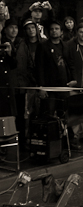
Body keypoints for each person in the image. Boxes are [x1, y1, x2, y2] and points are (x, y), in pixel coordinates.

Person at [14, 19, 44, 150]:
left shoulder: (43, 43)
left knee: (41, 111)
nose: (31, 30)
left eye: (33, 27)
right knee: (28, 112)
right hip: (28, 83)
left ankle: (40, 137)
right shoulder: (23, 44)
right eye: (28, 28)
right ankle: (26, 138)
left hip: (42, 81)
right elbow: (23, 65)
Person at [36, 19, 69, 117]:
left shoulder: (66, 45)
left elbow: (70, 64)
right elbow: (39, 67)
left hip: (64, 86)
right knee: (49, 115)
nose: (54, 31)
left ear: (61, 31)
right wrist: (41, 87)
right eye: (52, 29)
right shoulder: (42, 46)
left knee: (64, 114)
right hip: (49, 86)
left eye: (57, 29)